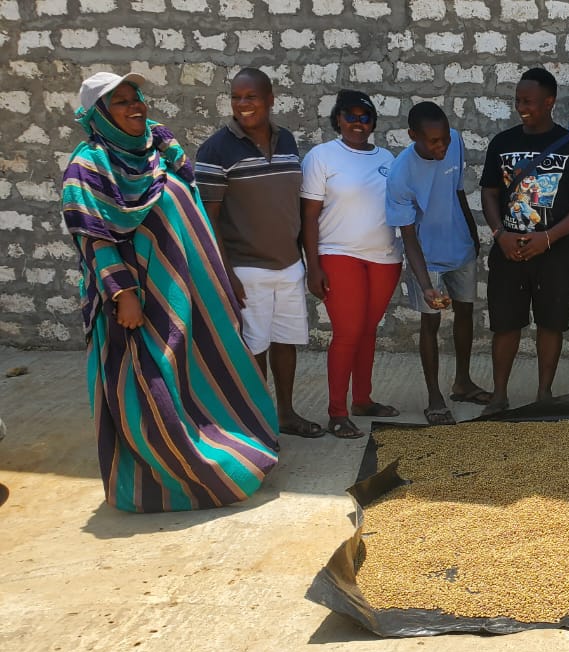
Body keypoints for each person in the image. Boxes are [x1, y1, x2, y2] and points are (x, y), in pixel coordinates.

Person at [61, 71, 278, 512]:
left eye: (135, 97)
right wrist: (123, 294)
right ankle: (176, 478)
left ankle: (230, 449)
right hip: (139, 299)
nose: (134, 106)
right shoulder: (89, 166)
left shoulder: (158, 149)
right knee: (150, 385)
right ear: (98, 115)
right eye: (119, 102)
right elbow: (94, 235)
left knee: (202, 372)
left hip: (185, 291)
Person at [195, 67, 324, 439]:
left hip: (288, 266)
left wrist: (308, 263)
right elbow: (208, 218)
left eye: (250, 96)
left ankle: (285, 414)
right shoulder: (216, 149)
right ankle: (257, 422)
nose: (242, 104)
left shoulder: (287, 142)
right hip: (246, 268)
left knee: (286, 342)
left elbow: (297, 207)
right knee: (255, 349)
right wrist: (227, 274)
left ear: (270, 98)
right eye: (236, 97)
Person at [478, 67, 569, 414]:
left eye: (528, 101)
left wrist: (547, 238)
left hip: (555, 253)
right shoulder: (502, 143)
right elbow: (488, 192)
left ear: (550, 102)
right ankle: (499, 396)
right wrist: (500, 234)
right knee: (505, 324)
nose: (521, 107)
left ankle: (544, 394)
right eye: (517, 101)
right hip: (508, 251)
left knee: (551, 324)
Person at [301, 89, 402, 439]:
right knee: (347, 333)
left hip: (385, 258)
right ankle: (337, 412)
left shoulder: (387, 157)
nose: (358, 124)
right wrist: (312, 266)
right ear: (338, 120)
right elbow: (309, 217)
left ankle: (362, 399)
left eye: (365, 117)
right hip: (338, 254)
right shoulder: (321, 157)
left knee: (367, 330)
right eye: (351, 116)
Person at [385, 101, 491, 425]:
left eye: (444, 137)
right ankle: (434, 396)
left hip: (459, 246)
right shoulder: (400, 175)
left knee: (465, 313)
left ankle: (463, 382)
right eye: (433, 141)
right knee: (430, 322)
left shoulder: (455, 141)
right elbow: (408, 237)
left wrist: (472, 237)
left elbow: (458, 192)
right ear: (412, 136)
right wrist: (427, 286)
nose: (442, 145)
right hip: (426, 255)